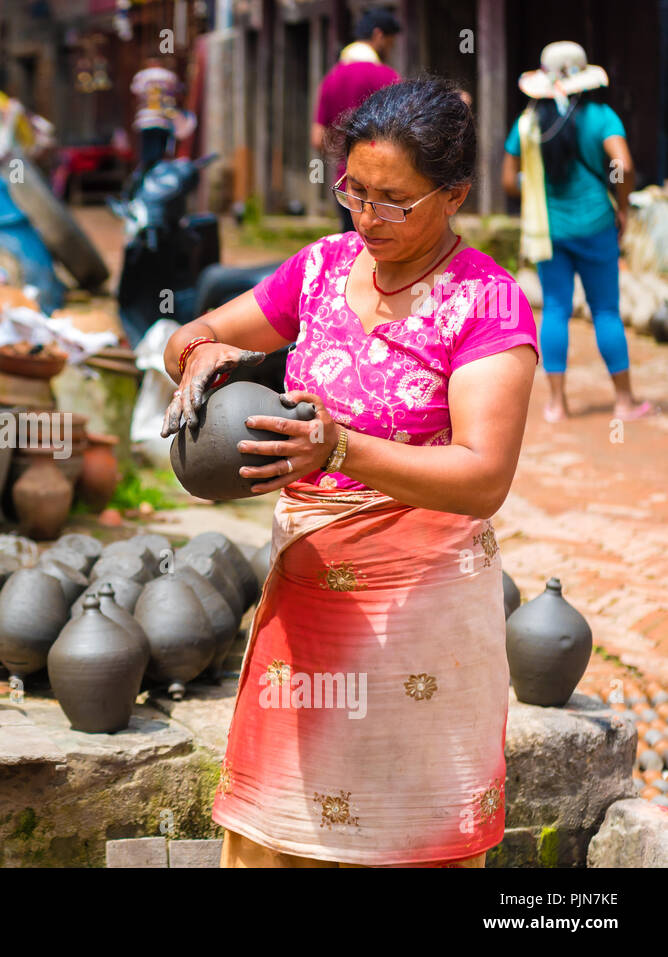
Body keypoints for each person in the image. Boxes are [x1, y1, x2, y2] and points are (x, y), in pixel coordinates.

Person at [161, 77, 538, 868]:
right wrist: (200, 355)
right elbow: (194, 331)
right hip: (310, 601)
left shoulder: (487, 304)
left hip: (421, 619)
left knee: (407, 837)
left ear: (455, 194)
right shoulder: (322, 267)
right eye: (355, 192)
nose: (368, 217)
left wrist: (340, 449)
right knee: (280, 835)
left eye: (395, 201)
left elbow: (482, 475)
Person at [502, 41, 654, 422]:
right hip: (597, 226)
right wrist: (622, 204)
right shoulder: (601, 116)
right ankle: (624, 401)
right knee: (605, 309)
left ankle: (557, 404)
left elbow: (508, 181)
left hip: (547, 231)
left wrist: (538, 190)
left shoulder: (528, 123)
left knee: (555, 308)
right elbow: (624, 164)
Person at [312, 8, 402, 232]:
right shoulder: (387, 77)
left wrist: (346, 155)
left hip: (346, 183)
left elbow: (317, 138)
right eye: (391, 43)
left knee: (351, 244)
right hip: (384, 185)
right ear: (379, 35)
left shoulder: (330, 79)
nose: (390, 50)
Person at [127, 57, 190, 191]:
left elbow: (134, 96)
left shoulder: (141, 76)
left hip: (146, 119)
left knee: (147, 155)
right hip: (164, 119)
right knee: (161, 154)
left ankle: (145, 184)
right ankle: (158, 181)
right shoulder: (169, 76)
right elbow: (179, 95)